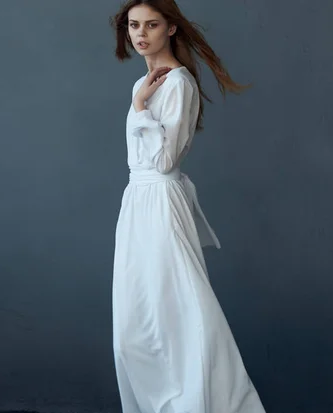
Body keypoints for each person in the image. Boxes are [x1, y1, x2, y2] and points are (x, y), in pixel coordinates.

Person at [110, 1, 266, 412]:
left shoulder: (178, 84)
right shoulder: (142, 83)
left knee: (179, 313)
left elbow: (164, 161)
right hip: (137, 205)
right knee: (134, 329)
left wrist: (142, 107)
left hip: (161, 202)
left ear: (172, 29)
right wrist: (140, 99)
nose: (140, 34)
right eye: (133, 25)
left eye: (152, 24)